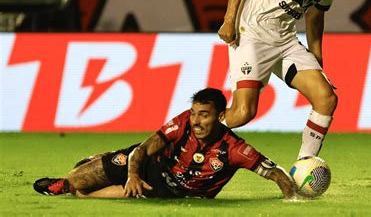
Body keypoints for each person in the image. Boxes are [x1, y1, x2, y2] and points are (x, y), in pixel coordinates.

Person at [218, 0, 365, 160]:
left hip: (285, 40)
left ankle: (304, 168)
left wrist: (317, 56)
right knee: (242, 113)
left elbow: (316, 13)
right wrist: (229, 19)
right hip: (252, 32)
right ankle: (187, 134)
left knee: (326, 99)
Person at [33, 88, 296, 200]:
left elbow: (276, 173)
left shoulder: (234, 148)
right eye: (194, 113)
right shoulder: (182, 123)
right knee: (78, 178)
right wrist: (133, 173)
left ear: (220, 116)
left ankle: (74, 189)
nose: (196, 121)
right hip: (148, 166)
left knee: (87, 194)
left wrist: (293, 196)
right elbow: (146, 148)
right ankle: (68, 183)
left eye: (204, 115)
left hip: (168, 192)